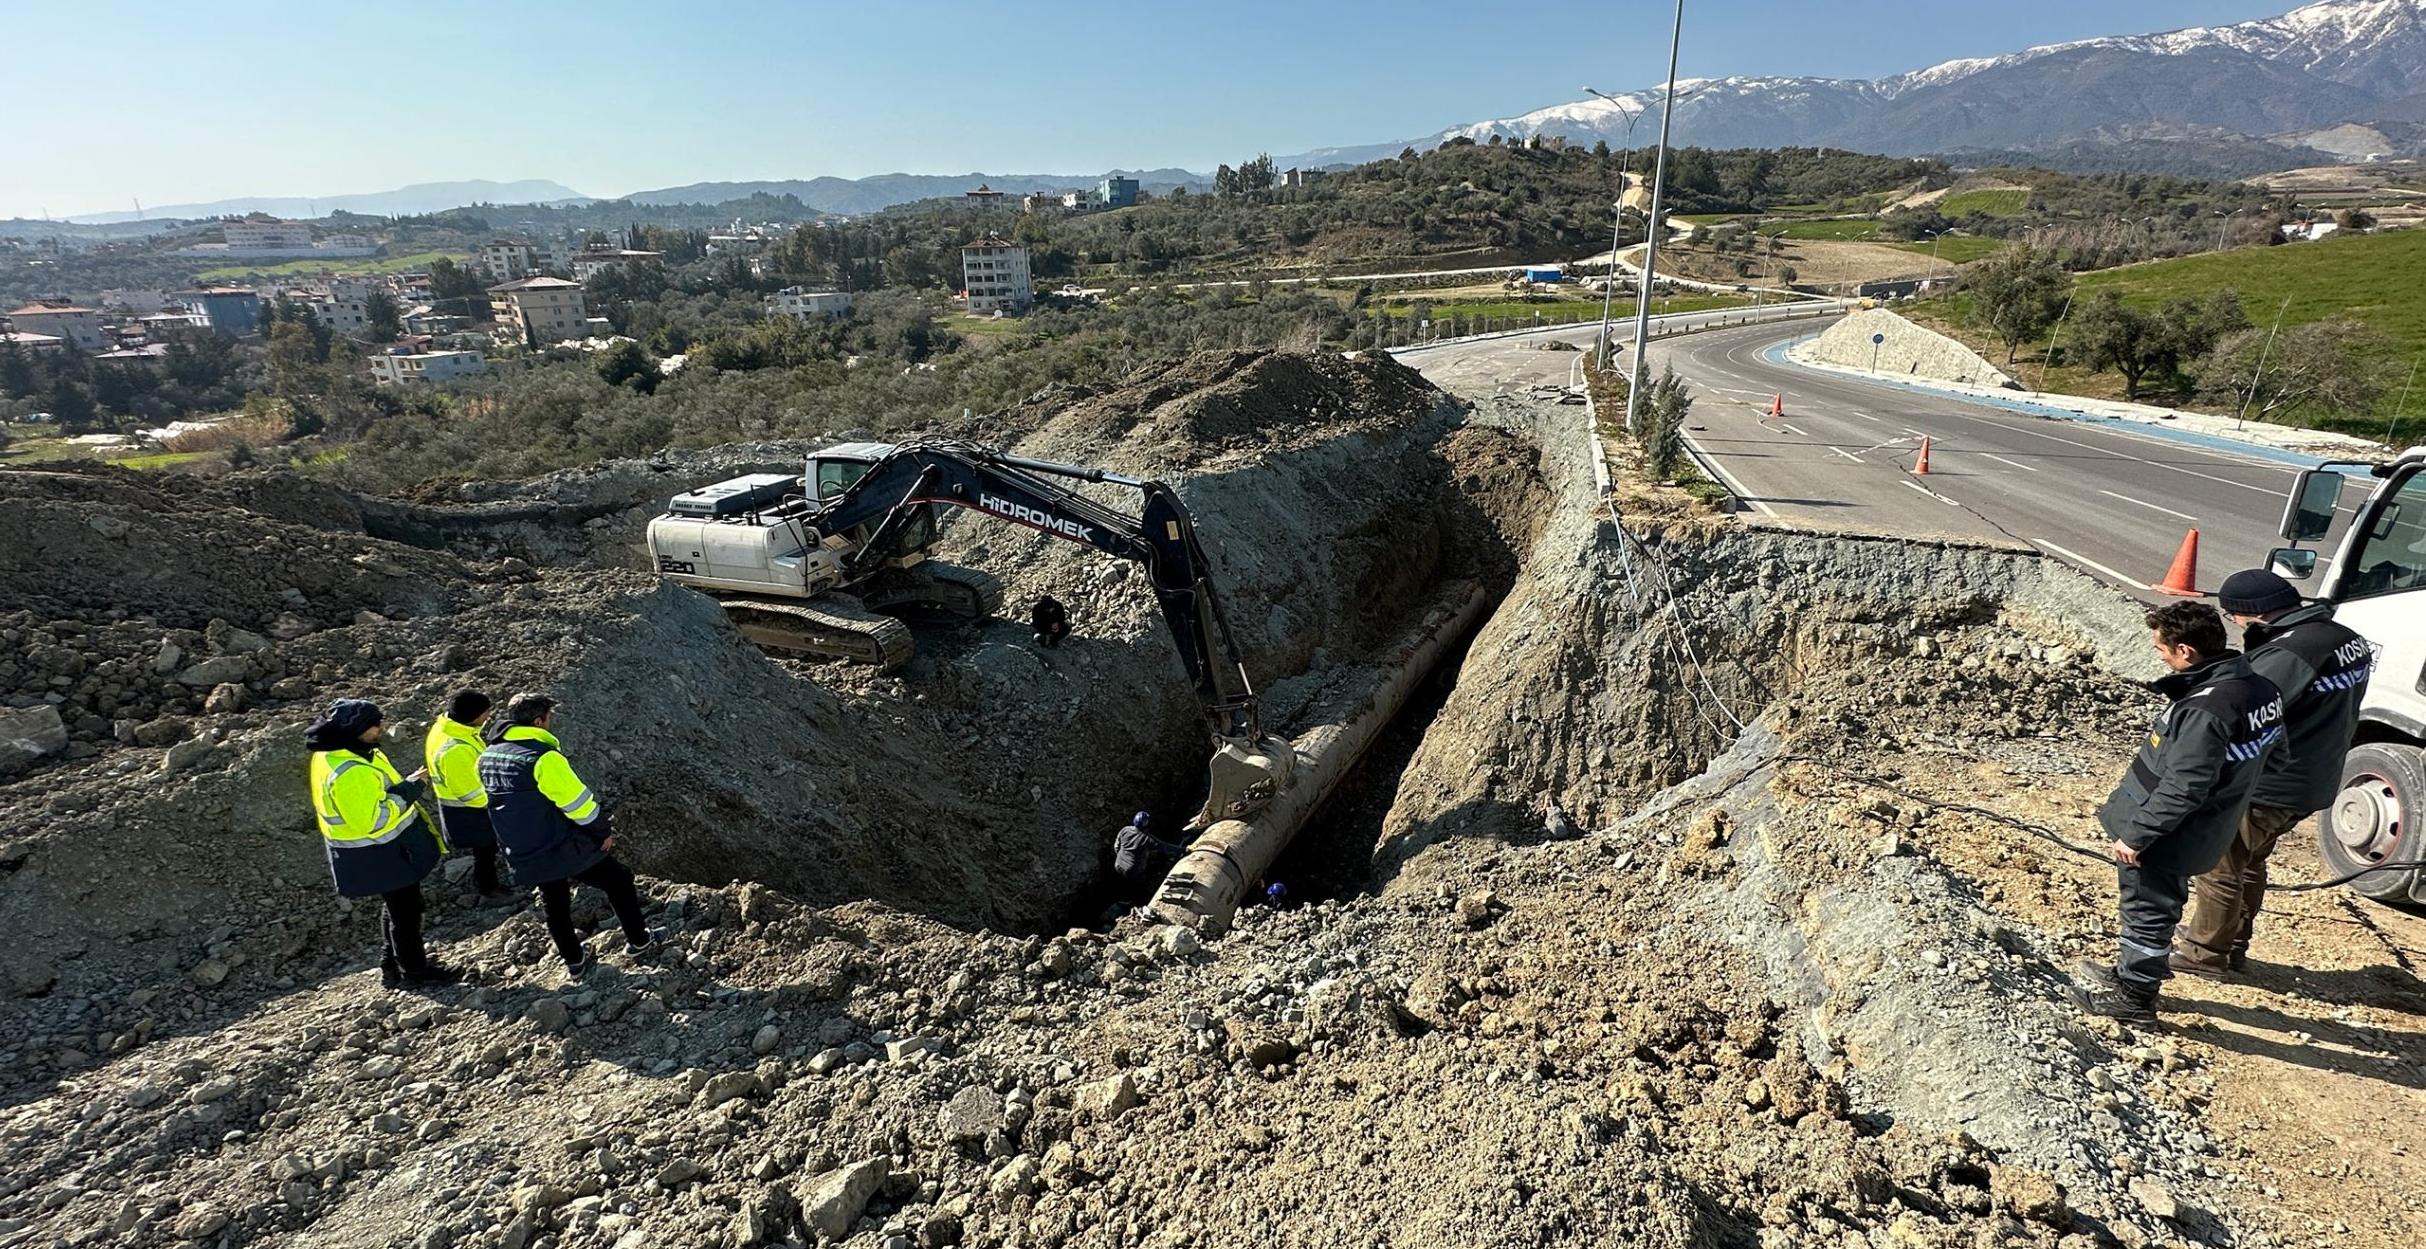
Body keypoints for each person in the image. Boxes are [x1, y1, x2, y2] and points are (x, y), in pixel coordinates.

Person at [2075, 601, 2283, 1023]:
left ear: (2186, 651)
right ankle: (2128, 974)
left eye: (2162, 649)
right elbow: (2274, 756)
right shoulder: (2259, 688)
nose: (2160, 656)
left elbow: (2184, 784)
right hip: (2205, 823)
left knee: (2148, 910)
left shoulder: (2207, 708)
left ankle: (2135, 999)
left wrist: (2138, 834)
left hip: (2169, 833)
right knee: (2150, 906)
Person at [2174, 570, 2373, 978]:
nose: (2235, 625)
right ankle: (2232, 942)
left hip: (2274, 780)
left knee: (2220, 863)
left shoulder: (2288, 654)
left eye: (2234, 618)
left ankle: (2204, 954)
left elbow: (2248, 708)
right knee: (2250, 860)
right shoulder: (2342, 638)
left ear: (2253, 614)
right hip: (2316, 773)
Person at [477, 694, 656, 979]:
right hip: (558, 842)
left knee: (553, 901)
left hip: (521, 845)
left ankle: (574, 961)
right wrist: (601, 832)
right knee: (618, 878)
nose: (551, 722)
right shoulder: (542, 758)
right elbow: (577, 804)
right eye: (549, 717)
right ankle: (639, 940)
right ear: (539, 721)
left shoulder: (489, 755)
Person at [306, 698, 460, 989]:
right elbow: (375, 819)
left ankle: (391, 965)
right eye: (375, 724)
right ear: (358, 729)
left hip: (376, 850)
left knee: (397, 907)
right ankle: (414, 971)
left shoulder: (344, 753)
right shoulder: (352, 771)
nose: (382, 728)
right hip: (377, 850)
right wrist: (411, 788)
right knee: (406, 912)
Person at [424, 690, 505, 896]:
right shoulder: (455, 749)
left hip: (465, 808)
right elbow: (472, 795)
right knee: (485, 851)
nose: (488, 717)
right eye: (486, 713)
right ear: (474, 716)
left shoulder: (449, 729)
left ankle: (488, 885)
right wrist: (502, 802)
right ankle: (489, 890)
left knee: (485, 851)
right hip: (470, 812)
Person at [1110, 811, 1186, 900]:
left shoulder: (1125, 830)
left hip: (1118, 865)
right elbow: (1164, 847)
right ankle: (1135, 901)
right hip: (1133, 870)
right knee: (1138, 886)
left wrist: (1121, 858)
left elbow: (1116, 846)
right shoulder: (1147, 838)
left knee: (1123, 882)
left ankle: (1121, 897)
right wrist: (1182, 849)